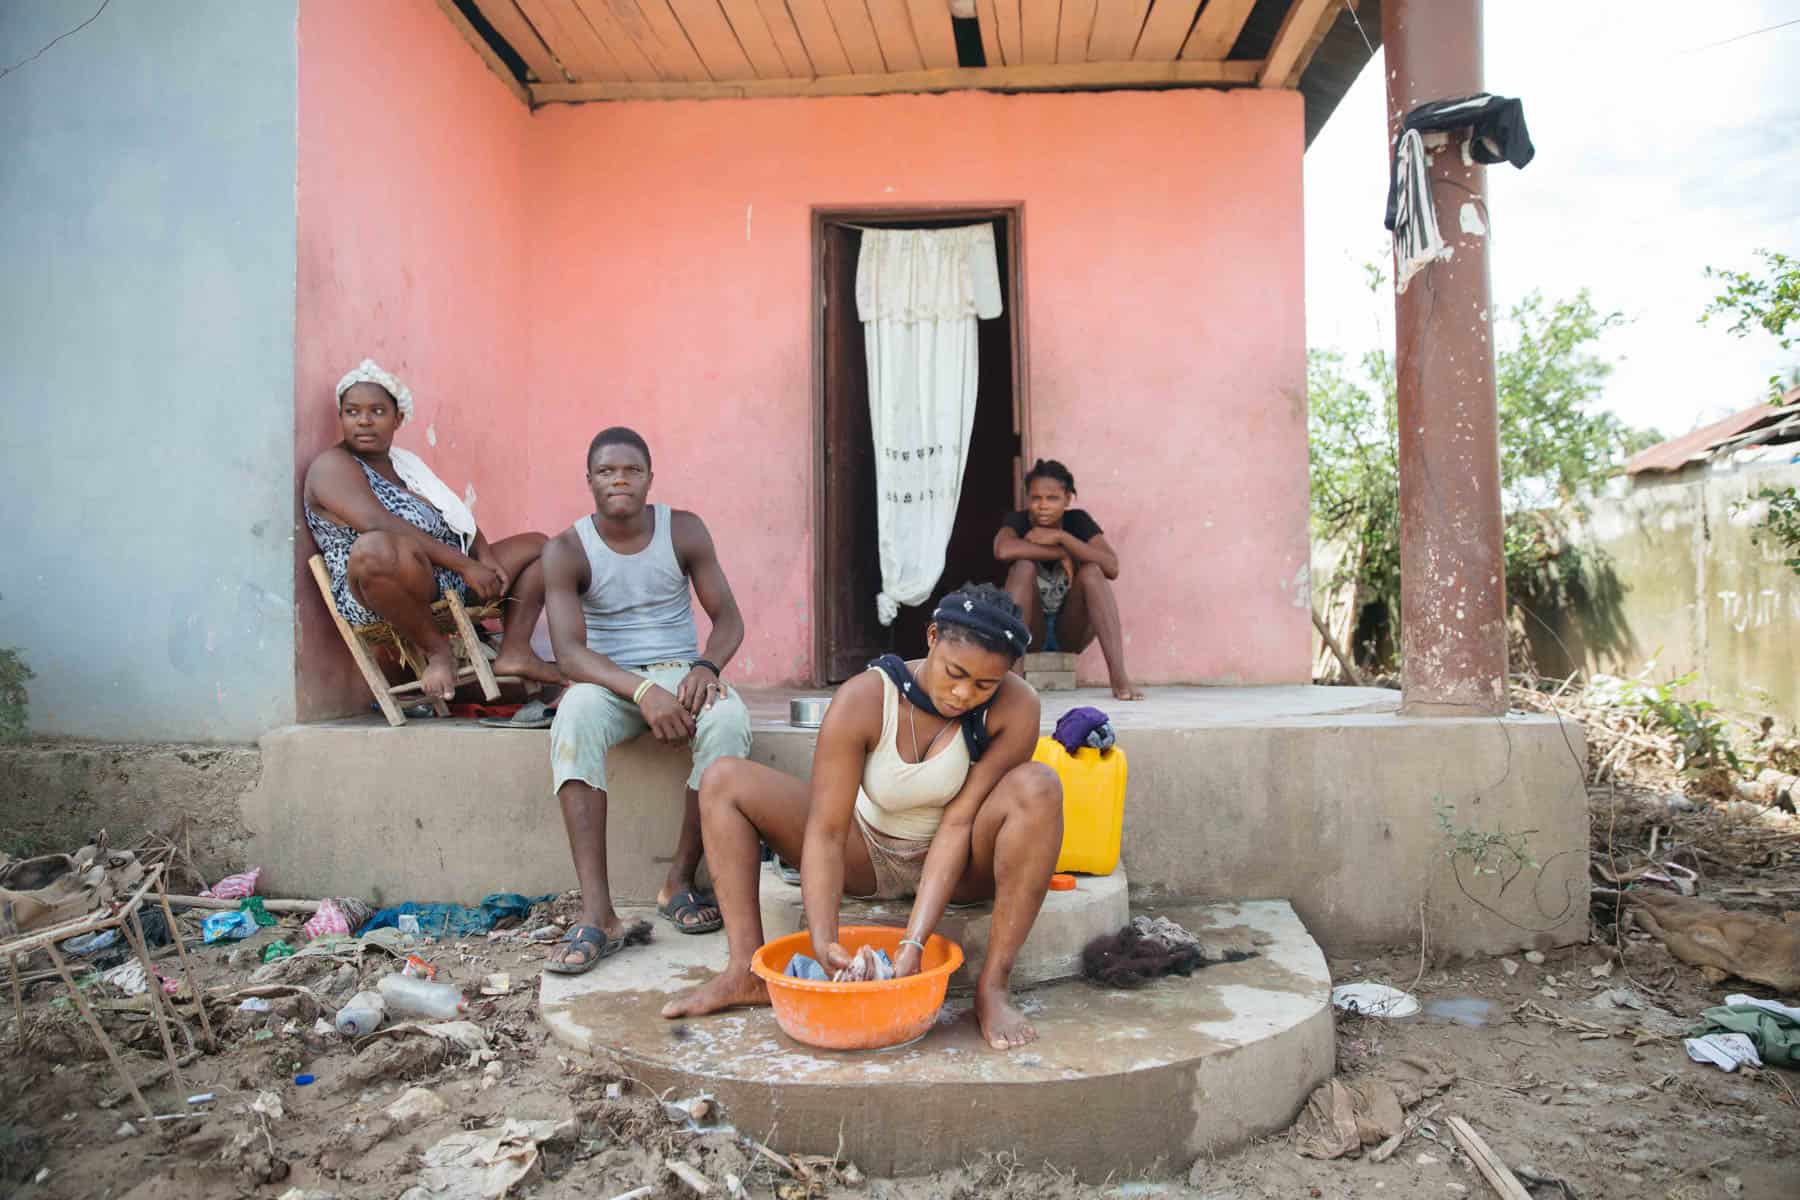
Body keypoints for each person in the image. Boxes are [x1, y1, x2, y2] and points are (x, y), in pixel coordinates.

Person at [661, 584, 1062, 1051]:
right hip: (865, 852)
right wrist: (823, 939)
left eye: (984, 685)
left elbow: (958, 822)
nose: (962, 693)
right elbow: (828, 831)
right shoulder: (866, 697)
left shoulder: (1017, 706)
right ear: (931, 636)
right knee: (723, 779)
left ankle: (992, 987)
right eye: (955, 673)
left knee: (1039, 786)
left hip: (962, 864)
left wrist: (914, 941)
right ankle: (744, 972)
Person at [541, 427, 753, 973]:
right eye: (607, 471)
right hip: (611, 681)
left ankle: (678, 883)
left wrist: (706, 667)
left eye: (631, 470)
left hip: (683, 671)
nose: (619, 480)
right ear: (589, 481)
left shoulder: (682, 529)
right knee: (573, 719)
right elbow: (568, 654)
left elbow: (727, 616)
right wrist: (641, 690)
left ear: (649, 478)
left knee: (728, 721)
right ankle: (598, 913)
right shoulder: (565, 549)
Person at [303, 359, 561, 701]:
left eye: (377, 411)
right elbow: (377, 524)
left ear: (398, 419)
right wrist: (466, 565)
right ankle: (438, 653)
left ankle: (515, 651)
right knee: (375, 547)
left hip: (443, 577)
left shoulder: (407, 464)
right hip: (379, 584)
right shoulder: (331, 466)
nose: (364, 421)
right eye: (352, 412)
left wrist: (482, 555)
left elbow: (455, 515)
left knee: (544, 547)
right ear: (341, 418)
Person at [994, 459, 1143, 701]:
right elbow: (1003, 550)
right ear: (1027, 499)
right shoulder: (1019, 522)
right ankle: (1015, 683)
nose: (1043, 506)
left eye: (1052, 498)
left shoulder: (1077, 522)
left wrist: (1062, 538)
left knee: (1092, 572)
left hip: (1070, 631)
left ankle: (1119, 677)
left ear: (1067, 499)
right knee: (1023, 568)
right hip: (1032, 631)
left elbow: (1111, 566)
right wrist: (1059, 553)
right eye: (1035, 498)